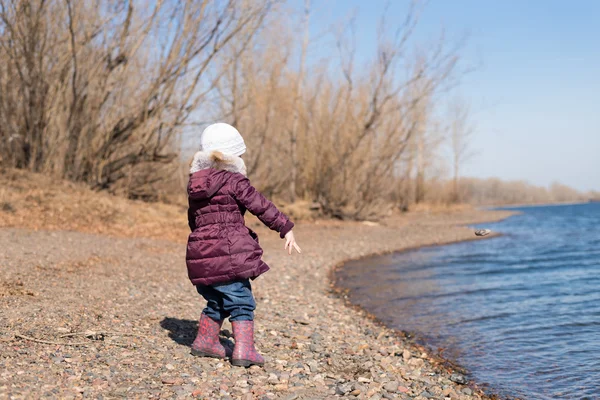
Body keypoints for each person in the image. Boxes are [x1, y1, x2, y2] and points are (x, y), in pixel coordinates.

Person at [186, 122, 301, 367]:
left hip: (201, 255)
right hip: (230, 252)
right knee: (241, 300)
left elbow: (193, 219)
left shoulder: (195, 185)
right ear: (233, 157)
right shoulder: (234, 181)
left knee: (216, 299)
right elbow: (261, 206)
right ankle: (244, 351)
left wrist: (204, 245)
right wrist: (285, 227)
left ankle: (205, 342)